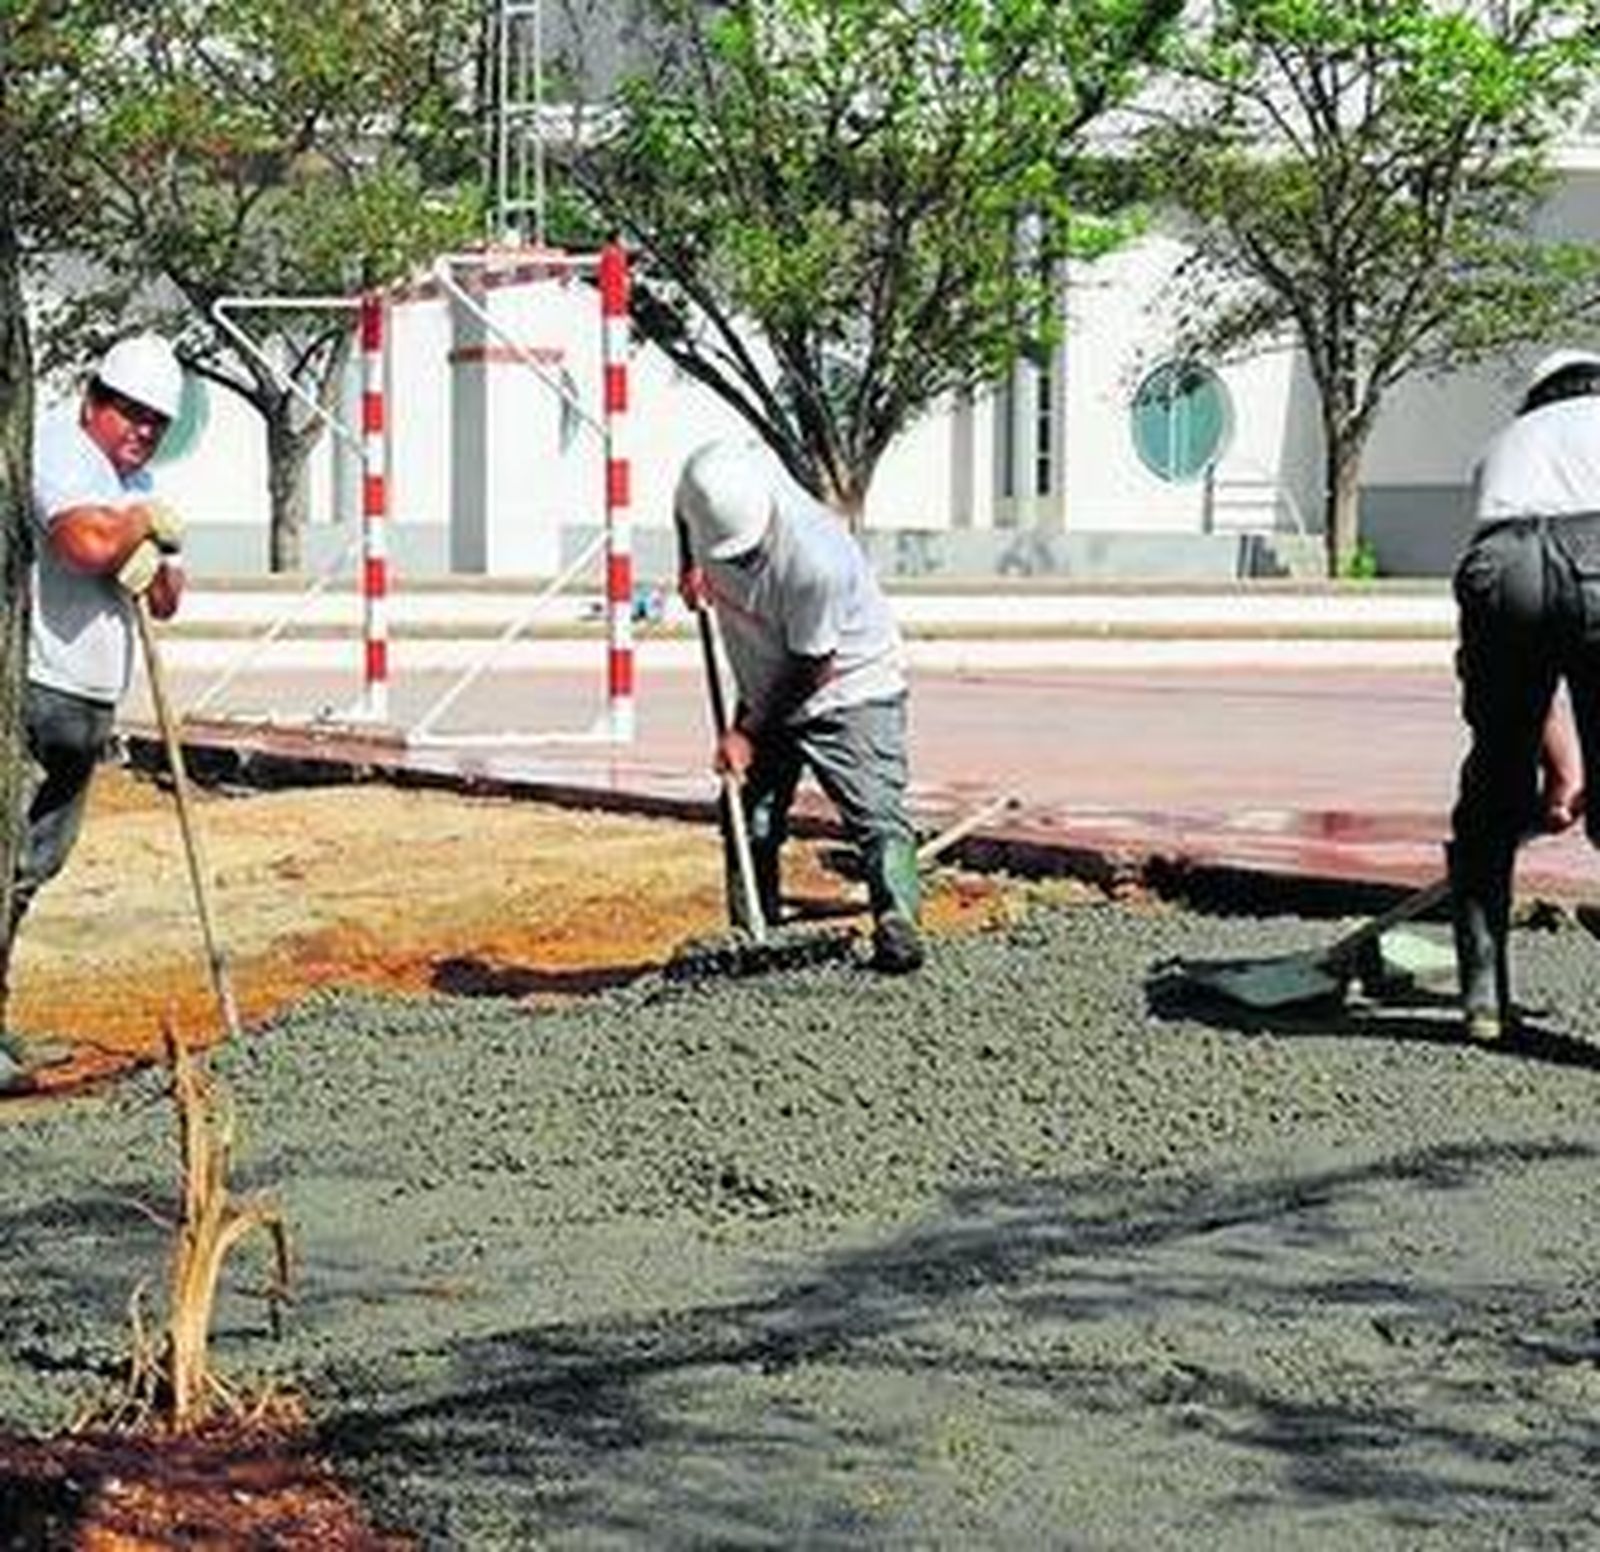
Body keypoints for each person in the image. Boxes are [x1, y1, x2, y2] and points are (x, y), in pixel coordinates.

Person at [1, 334, 187, 1092]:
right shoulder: (57, 449)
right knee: (5, 861)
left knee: (33, 867)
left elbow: (168, 598)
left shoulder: (130, 479)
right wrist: (134, 526)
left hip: (88, 704)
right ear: (94, 398)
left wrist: (149, 556)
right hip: (38, 688)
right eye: (130, 413)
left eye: (155, 423)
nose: (140, 431)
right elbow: (82, 543)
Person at [675, 436, 925, 973]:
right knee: (748, 814)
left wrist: (747, 733)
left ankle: (898, 924)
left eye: (743, 554)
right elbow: (681, 512)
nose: (738, 563)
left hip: (849, 685)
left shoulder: (817, 561)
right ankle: (753, 933)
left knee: (874, 813)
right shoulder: (708, 482)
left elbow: (813, 667)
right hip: (767, 676)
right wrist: (687, 565)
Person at [1448, 346, 1600, 1043]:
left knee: (1494, 777)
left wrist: (1561, 771)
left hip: (1502, 561)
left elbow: (1535, 590)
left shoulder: (1501, 445)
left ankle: (1482, 1000)